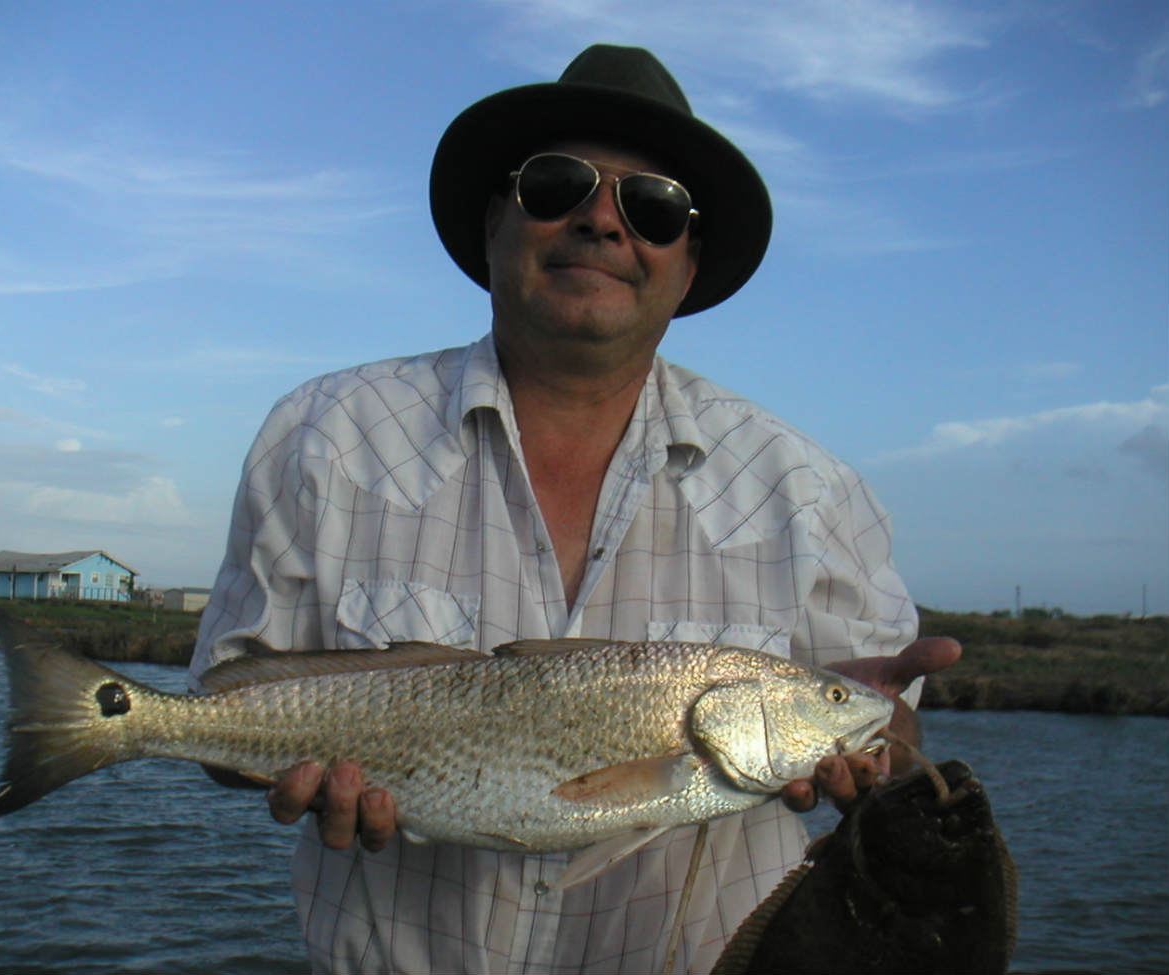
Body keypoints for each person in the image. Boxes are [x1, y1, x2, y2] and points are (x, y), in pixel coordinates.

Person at [190, 43, 960, 974]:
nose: (601, 219)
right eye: (558, 185)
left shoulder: (812, 489)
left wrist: (869, 728)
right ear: (494, 222)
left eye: (655, 206)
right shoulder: (323, 434)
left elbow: (894, 734)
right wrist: (298, 762)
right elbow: (220, 723)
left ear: (688, 262)